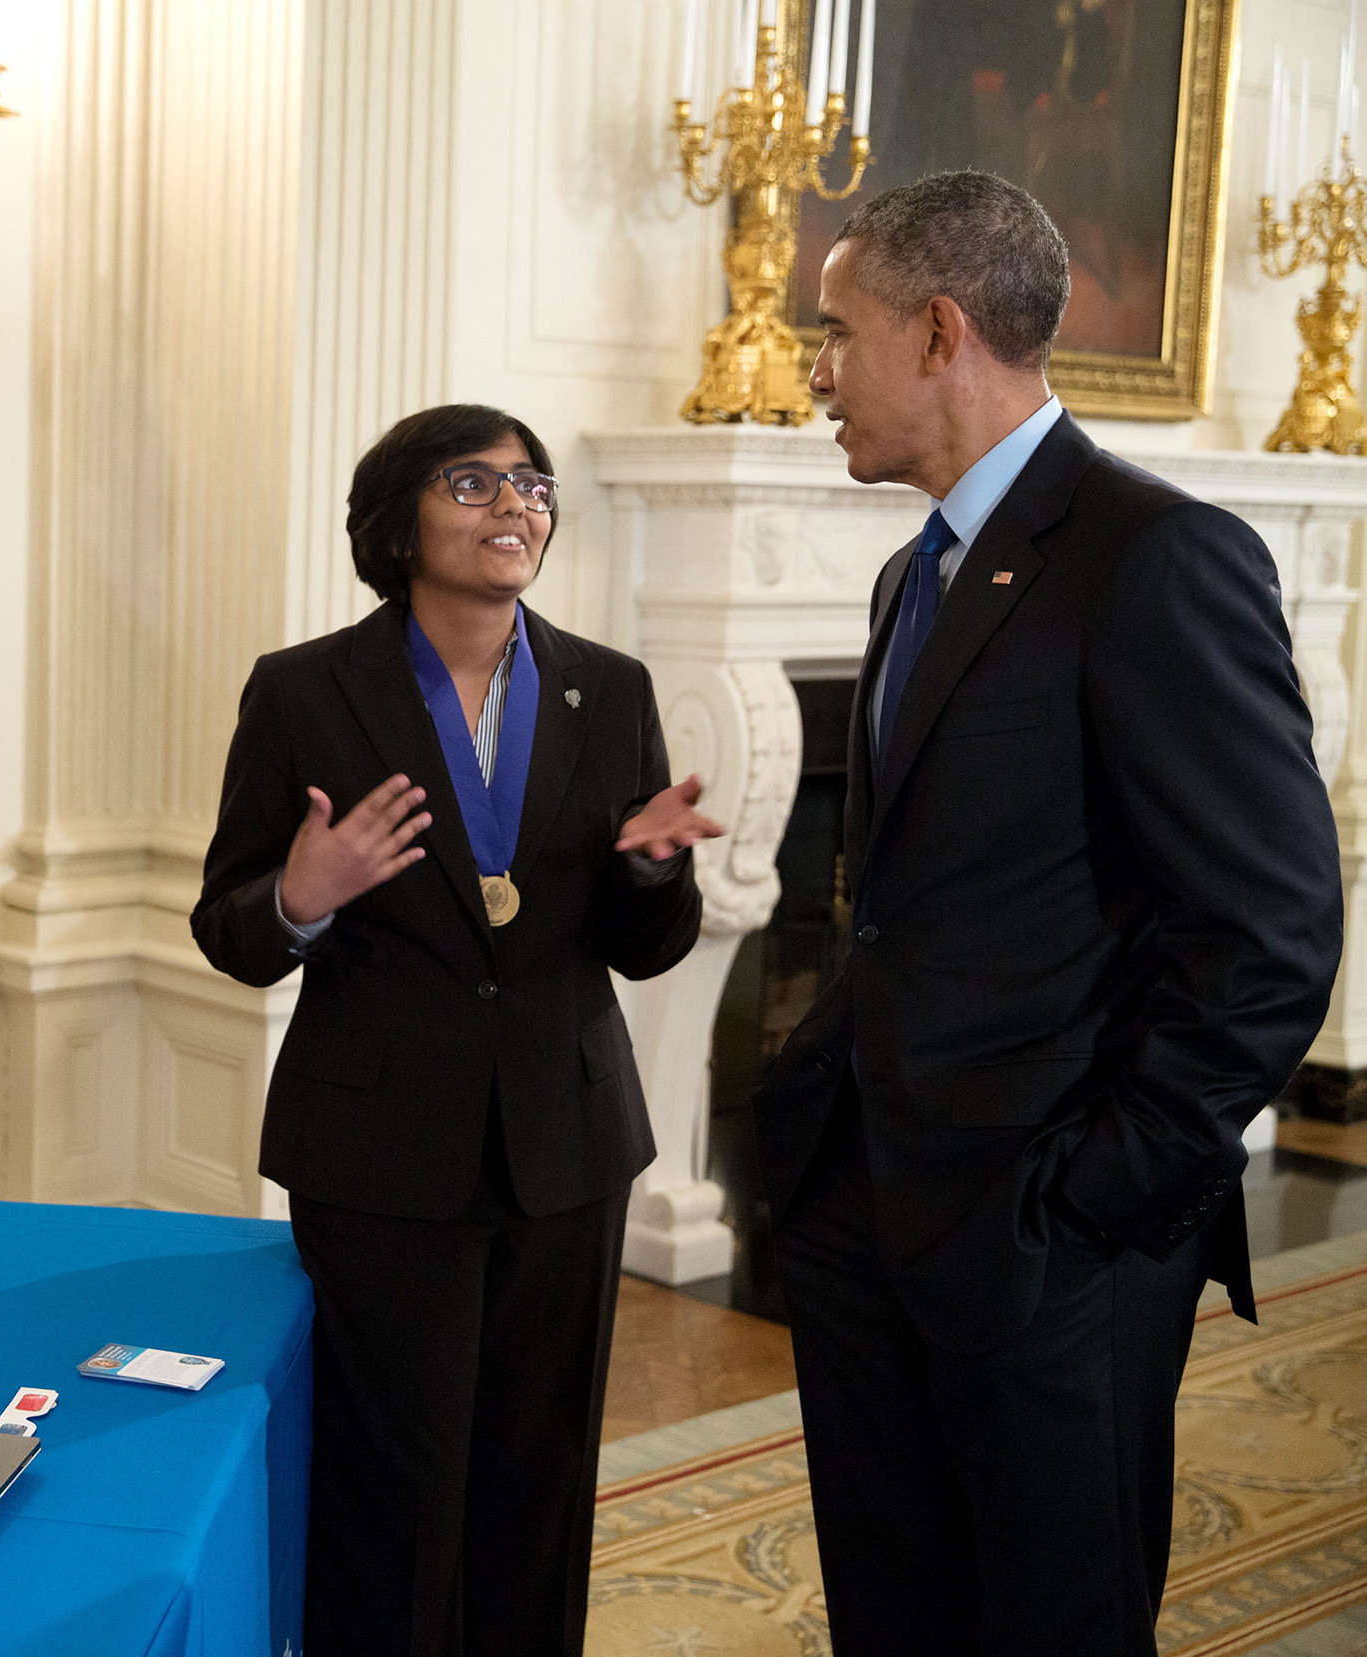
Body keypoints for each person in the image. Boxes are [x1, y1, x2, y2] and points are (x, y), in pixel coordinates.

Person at [753, 170, 1345, 1655]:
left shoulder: (1156, 555)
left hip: (1048, 1242)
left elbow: (1270, 932)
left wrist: (1100, 1199)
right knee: (895, 1613)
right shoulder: (907, 576)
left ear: (938, 332)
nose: (813, 370)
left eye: (836, 331)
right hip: (869, 1205)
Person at [191, 403, 722, 1656]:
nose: (514, 505)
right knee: (389, 1492)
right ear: (398, 521)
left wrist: (651, 873)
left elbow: (644, 947)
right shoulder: (303, 690)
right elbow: (229, 927)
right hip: (377, 1152)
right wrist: (300, 896)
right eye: (472, 483)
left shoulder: (610, 688)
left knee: (538, 1486)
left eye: (530, 486)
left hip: (567, 1144)